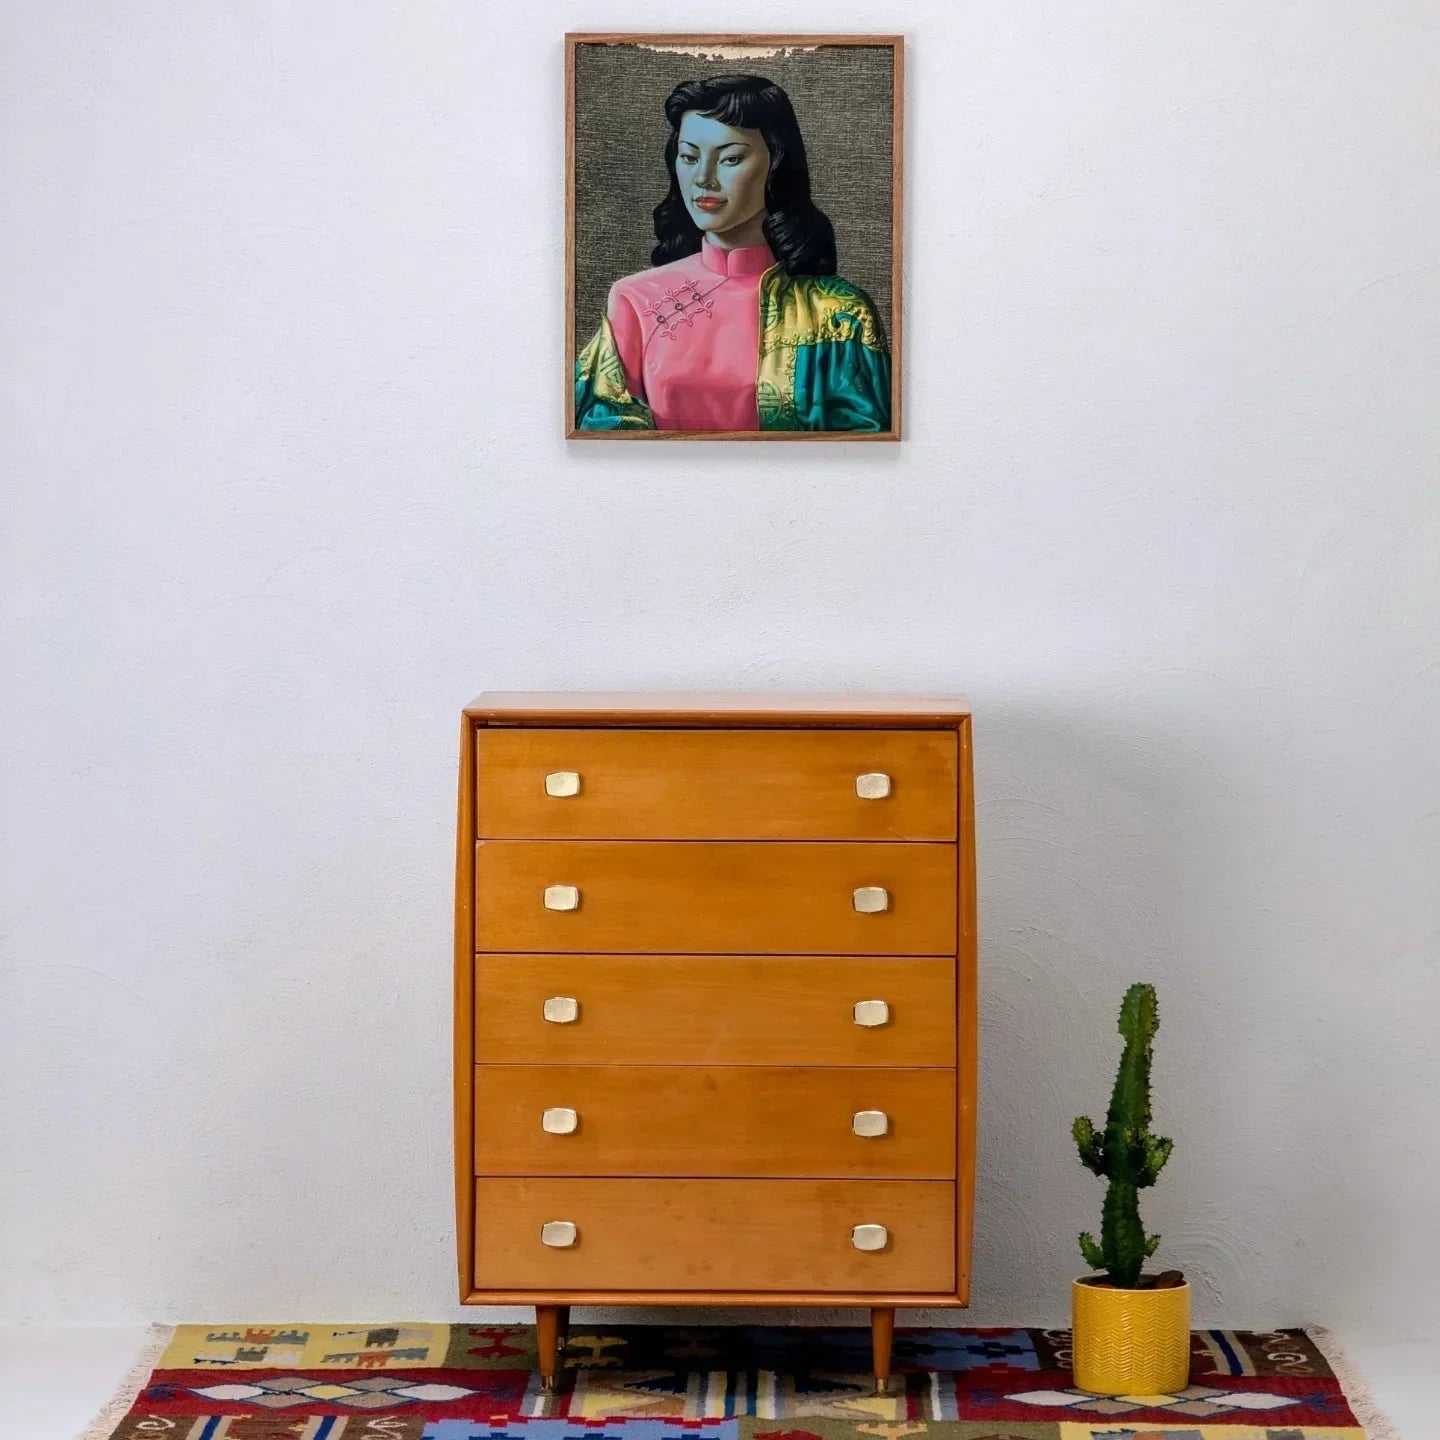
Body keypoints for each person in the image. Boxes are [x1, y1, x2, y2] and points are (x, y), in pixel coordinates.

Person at [574, 74, 892, 433]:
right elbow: (601, 431)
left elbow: (865, 448)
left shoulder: (839, 312)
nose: (703, 178)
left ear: (776, 164)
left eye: (730, 159)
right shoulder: (634, 299)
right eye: (689, 156)